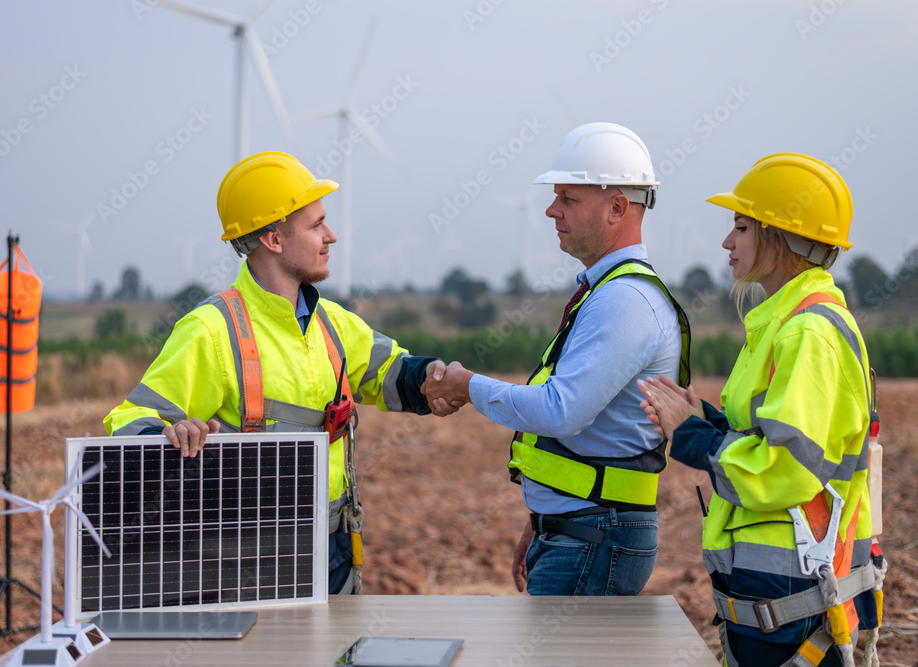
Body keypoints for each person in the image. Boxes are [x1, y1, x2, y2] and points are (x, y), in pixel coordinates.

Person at [104, 151, 456, 595]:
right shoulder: (211, 330)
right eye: (317, 225)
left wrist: (436, 379)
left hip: (334, 550)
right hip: (247, 564)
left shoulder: (330, 322)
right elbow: (129, 419)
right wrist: (168, 434)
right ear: (273, 239)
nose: (331, 236)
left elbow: (389, 370)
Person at [422, 122, 691, 596]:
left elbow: (561, 411)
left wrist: (467, 385)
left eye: (568, 198)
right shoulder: (609, 293)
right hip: (582, 528)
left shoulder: (624, 300)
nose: (551, 210)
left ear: (617, 208)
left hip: (593, 536)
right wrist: (545, 518)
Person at [638, 153, 883, 666]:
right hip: (780, 592)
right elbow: (764, 431)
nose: (727, 242)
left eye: (742, 227)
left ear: (781, 237)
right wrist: (705, 419)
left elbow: (786, 466)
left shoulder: (807, 333)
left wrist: (692, 436)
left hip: (793, 594)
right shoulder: (785, 323)